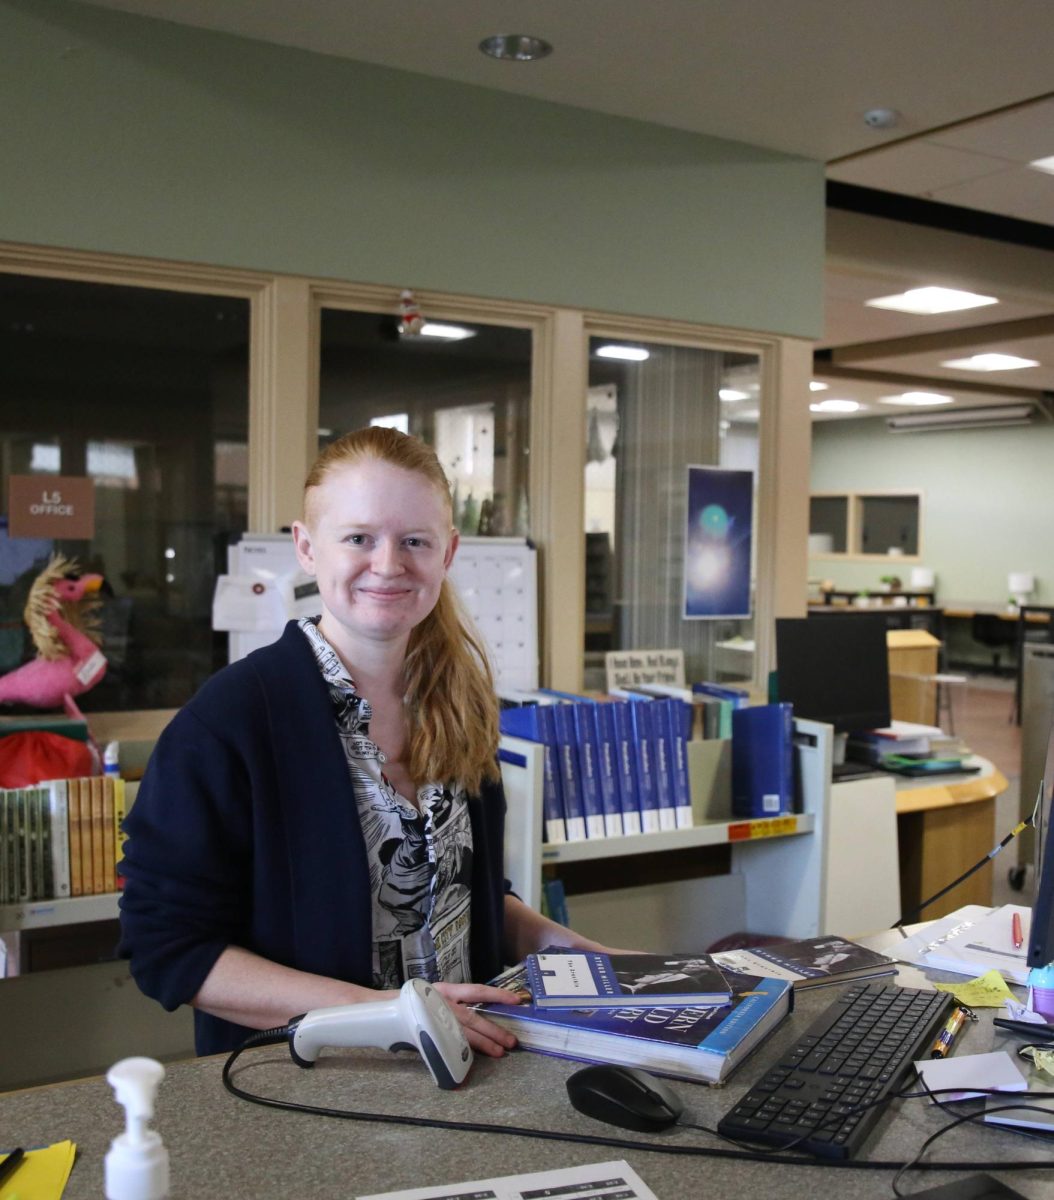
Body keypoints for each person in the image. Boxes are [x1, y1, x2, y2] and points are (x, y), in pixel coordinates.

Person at [119, 426, 607, 1058]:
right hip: (307, 1090)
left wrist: (598, 960)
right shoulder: (229, 722)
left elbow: (469, 896)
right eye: (358, 538)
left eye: (414, 541)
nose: (388, 564)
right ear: (306, 547)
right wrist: (397, 1011)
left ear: (448, 552)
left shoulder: (463, 706)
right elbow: (167, 950)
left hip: (475, 1076)